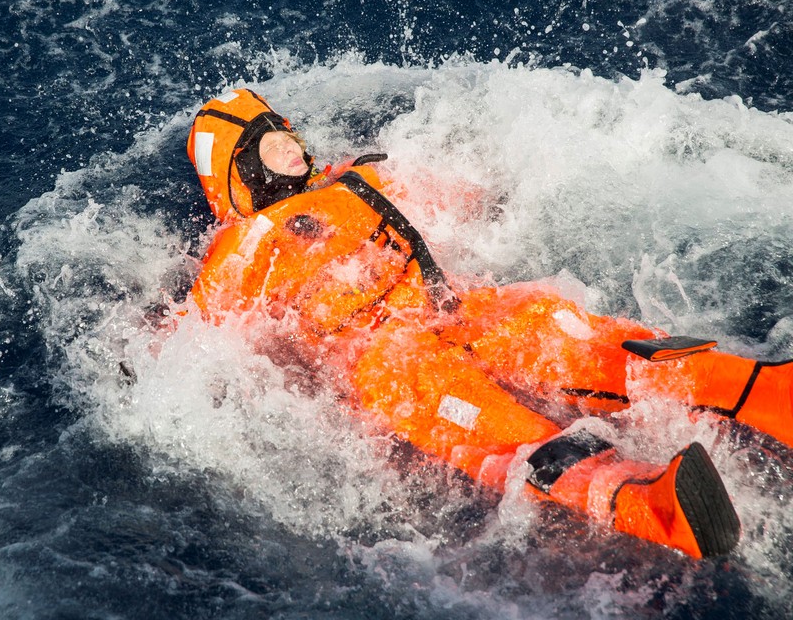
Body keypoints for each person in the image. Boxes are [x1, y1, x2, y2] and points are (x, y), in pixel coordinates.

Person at [185, 88, 793, 558]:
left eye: (283, 130)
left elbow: (461, 196)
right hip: (385, 361)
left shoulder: (356, 177)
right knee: (500, 426)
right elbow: (200, 338)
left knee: (559, 330)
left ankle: (753, 387)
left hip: (452, 307)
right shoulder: (240, 248)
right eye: (268, 143)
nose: (288, 144)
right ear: (242, 169)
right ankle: (643, 503)